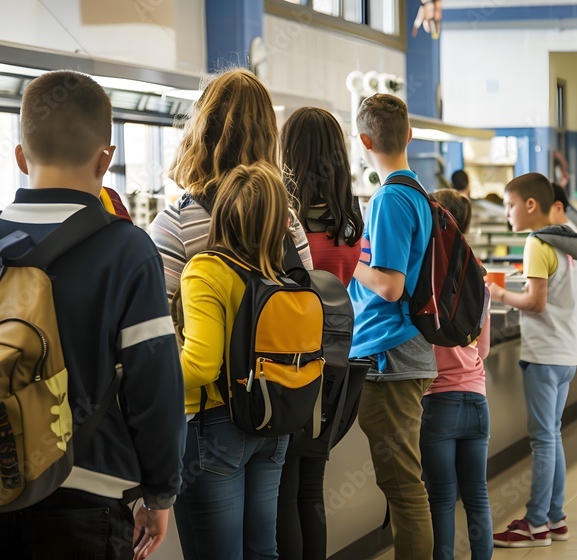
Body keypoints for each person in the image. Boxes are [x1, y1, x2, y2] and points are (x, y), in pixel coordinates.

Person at [0, 70, 185, 560]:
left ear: (19, 155)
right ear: (105, 160)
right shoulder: (127, 251)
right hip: (84, 499)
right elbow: (154, 383)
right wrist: (161, 492)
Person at [148, 68, 314, 559]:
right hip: (273, 407)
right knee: (263, 550)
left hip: (209, 417)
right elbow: (302, 292)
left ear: (200, 127)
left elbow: (153, 324)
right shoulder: (285, 218)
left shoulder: (178, 220)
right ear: (268, 133)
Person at [177, 163, 293, 559]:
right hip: (274, 422)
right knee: (263, 550)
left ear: (222, 210)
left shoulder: (207, 270)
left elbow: (201, 365)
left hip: (217, 425)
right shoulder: (280, 274)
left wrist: (143, 372)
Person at [349, 93, 437, 560]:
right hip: (406, 350)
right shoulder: (417, 194)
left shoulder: (389, 200)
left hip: (390, 353)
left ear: (364, 140)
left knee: (403, 488)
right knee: (403, 484)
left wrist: (349, 260)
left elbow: (389, 286)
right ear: (410, 134)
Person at [277, 107, 364, 560]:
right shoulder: (349, 224)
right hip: (331, 371)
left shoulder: (284, 224)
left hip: (288, 365)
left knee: (282, 496)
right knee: (311, 491)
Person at [150, 68, 313, 310]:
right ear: (268, 137)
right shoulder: (284, 221)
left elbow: (163, 327)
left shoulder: (174, 225)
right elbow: (305, 301)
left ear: (200, 132)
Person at [489, 173, 577, 548]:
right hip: (566, 354)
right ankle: (555, 518)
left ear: (530, 205)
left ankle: (534, 524)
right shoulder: (565, 241)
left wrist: (497, 292)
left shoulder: (535, 242)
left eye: (510, 205)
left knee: (544, 440)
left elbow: (536, 302)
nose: (507, 214)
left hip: (544, 355)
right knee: (553, 436)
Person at [422, 189, 493, 560]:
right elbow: (482, 349)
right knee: (477, 495)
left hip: (438, 403)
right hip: (477, 399)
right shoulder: (478, 276)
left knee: (442, 499)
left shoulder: (425, 278)